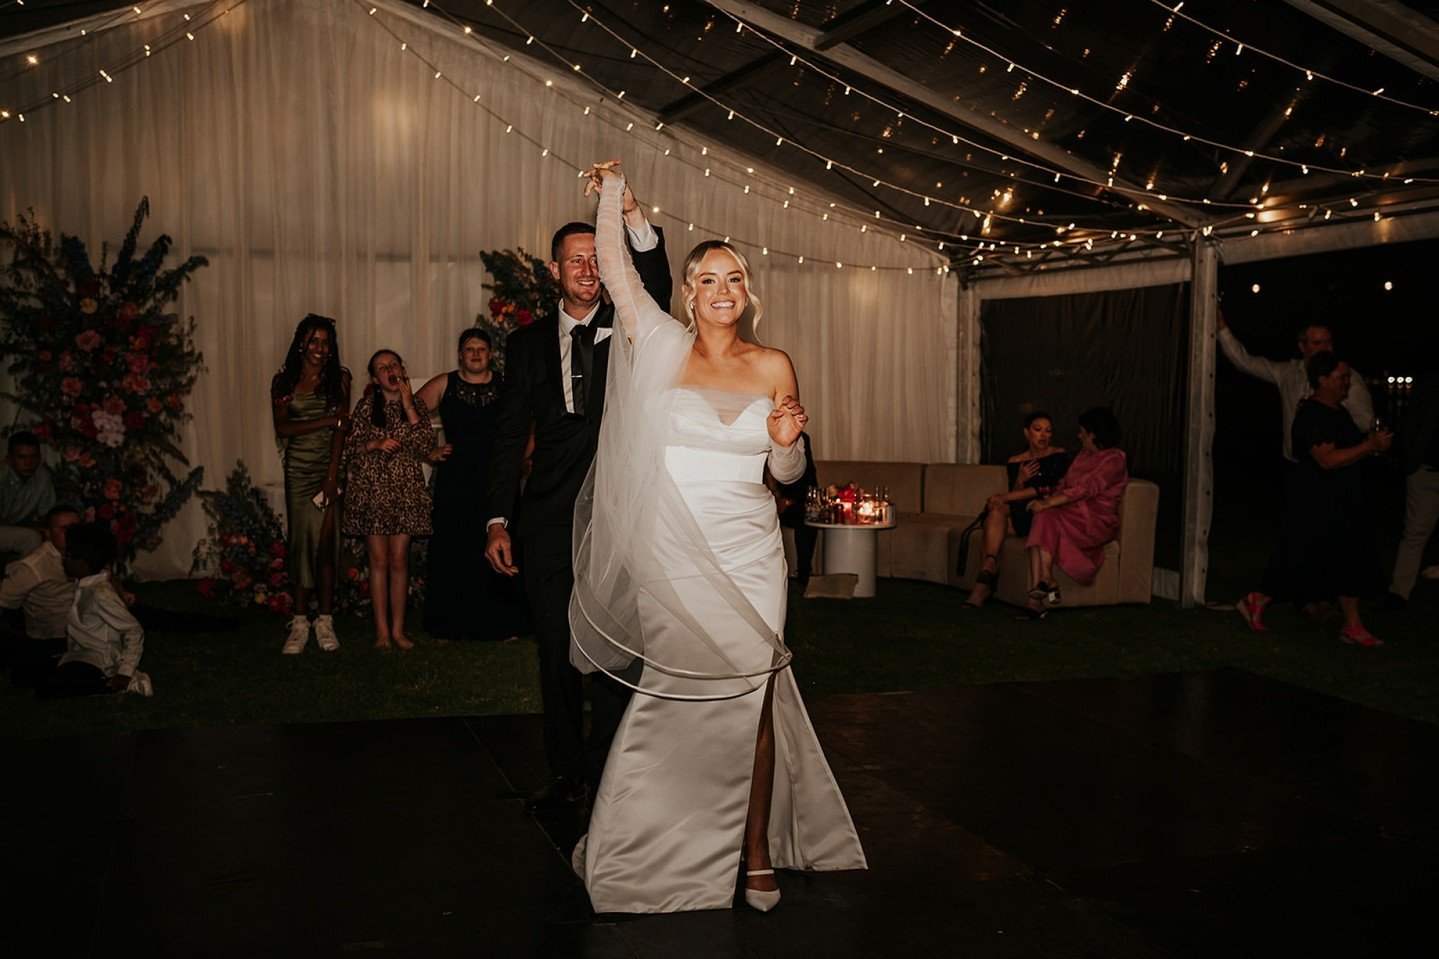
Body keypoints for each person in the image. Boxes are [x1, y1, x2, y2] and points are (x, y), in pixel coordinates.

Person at [567, 162, 865, 914]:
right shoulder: (657, 345)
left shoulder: (772, 363)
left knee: (752, 700)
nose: (723, 288)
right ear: (688, 292)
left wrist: (789, 442)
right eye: (708, 278)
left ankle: (755, 849)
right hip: (675, 554)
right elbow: (612, 268)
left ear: (745, 291)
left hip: (750, 552)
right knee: (676, 697)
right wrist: (615, 197)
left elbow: (787, 473)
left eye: (734, 277)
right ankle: (654, 842)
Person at [484, 173, 673, 814]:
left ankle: (612, 773)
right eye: (576, 260)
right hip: (546, 520)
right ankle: (567, 773)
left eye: (597, 258)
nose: (587, 269)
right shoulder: (528, 344)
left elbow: (661, 281)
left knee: (618, 650)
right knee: (558, 651)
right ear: (555, 271)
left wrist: (630, 213)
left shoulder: (632, 324)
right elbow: (509, 437)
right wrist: (496, 520)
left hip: (618, 516)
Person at [1238, 354, 1391, 644]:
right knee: (1297, 558)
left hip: (1343, 502)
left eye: (1348, 376)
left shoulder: (1338, 411)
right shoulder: (1313, 415)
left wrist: (1371, 447)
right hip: (1317, 502)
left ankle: (1352, 624)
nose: (1347, 382)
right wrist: (1368, 446)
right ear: (1322, 380)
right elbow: (1327, 459)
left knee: (1350, 559)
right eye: (1340, 377)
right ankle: (1257, 600)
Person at [416, 329, 530, 642]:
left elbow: (529, 421)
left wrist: (525, 456)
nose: (476, 353)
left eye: (482, 348)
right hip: (456, 480)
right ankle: (448, 626)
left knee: (500, 548)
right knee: (454, 548)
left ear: (490, 353)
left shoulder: (506, 386)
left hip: (498, 480)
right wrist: (429, 450)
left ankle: (504, 624)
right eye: (469, 349)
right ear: (460, 354)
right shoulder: (445, 383)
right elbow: (409, 415)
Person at [344, 350, 450, 650]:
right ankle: (381, 633)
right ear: (376, 379)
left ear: (401, 370)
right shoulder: (366, 407)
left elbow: (426, 446)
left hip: (405, 492)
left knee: (399, 560)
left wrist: (408, 404)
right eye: (382, 367)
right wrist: (374, 443)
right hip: (373, 491)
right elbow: (350, 450)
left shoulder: (414, 405)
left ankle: (399, 631)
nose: (389, 370)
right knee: (378, 561)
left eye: (393, 365)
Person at [271, 314, 351, 655]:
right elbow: (283, 430)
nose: (319, 348)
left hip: (328, 469)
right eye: (313, 341)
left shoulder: (341, 378)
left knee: (325, 545)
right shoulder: (284, 381)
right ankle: (300, 621)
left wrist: (332, 476)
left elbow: (341, 429)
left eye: (325, 341)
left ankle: (325, 619)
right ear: (300, 342)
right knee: (301, 544)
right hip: (298, 470)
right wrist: (326, 419)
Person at [1217, 313, 1373, 462]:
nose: (1325, 348)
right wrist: (1222, 329)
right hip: (1295, 467)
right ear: (1302, 346)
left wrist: (1331, 428)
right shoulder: (1287, 372)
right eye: (1317, 343)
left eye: (1328, 342)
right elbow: (1245, 362)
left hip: (1335, 465)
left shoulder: (1347, 377)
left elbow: (1366, 422)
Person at [1021, 407, 1128, 620]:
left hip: (1095, 521)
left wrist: (1051, 502)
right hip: (1070, 513)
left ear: (1093, 434)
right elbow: (1064, 484)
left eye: (1082, 432)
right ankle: (1043, 586)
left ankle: (1043, 589)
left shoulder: (1114, 459)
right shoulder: (1083, 455)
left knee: (1045, 518)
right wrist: (1047, 501)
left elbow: (1088, 488)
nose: (1079, 436)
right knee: (1042, 518)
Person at [962, 411, 1070, 609]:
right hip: (1021, 514)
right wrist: (1019, 481)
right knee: (997, 511)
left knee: (997, 510)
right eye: (1038, 430)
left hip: (1044, 514)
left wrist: (1004, 496)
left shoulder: (1058, 455)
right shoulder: (1016, 461)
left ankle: (984, 581)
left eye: (1048, 431)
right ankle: (989, 565)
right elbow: (1016, 496)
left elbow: (1045, 487)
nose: (1043, 435)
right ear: (1026, 433)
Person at [36, 522, 151, 699]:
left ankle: (125, 685)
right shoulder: (84, 585)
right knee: (28, 671)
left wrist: (125, 672)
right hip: (80, 655)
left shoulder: (100, 593)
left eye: (67, 555)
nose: (63, 559)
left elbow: (133, 630)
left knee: (51, 688)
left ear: (81, 564)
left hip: (99, 660)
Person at [0, 506, 80, 681]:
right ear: (48, 534)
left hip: (82, 630)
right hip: (50, 639)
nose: (71, 533)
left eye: (75, 528)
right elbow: (3, 600)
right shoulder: (34, 566)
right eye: (64, 529)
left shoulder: (82, 554)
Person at [1380, 379, 1439, 609]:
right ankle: (1399, 593)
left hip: (1423, 466)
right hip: (1425, 469)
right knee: (1415, 532)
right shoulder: (1429, 386)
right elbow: (1412, 421)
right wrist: (1411, 459)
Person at [770, 430, 818, 583]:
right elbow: (766, 474)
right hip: (771, 497)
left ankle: (804, 572)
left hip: (797, 501)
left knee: (807, 516)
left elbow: (810, 475)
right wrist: (778, 498)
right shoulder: (767, 436)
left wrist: (806, 499)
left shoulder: (804, 437)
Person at [0, 431, 57, 558]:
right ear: (9, 459)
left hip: (14, 526)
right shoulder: (2, 476)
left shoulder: (42, 476)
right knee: (30, 538)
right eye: (22, 457)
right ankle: (23, 577)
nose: (28, 463)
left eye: (33, 457)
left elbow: (46, 515)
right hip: (7, 527)